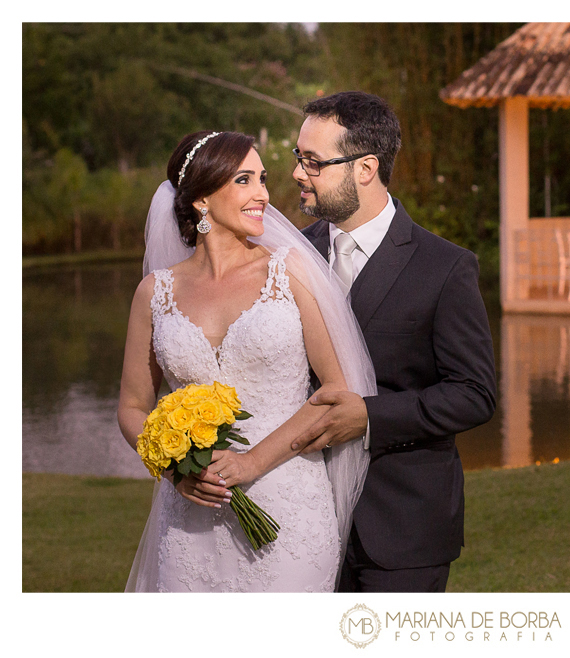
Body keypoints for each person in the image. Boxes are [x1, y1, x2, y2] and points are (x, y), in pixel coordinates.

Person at [118, 130, 376, 592]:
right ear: (200, 198)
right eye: (245, 180)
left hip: (287, 504)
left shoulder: (288, 270)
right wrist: (180, 471)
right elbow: (133, 407)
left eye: (262, 179)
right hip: (191, 515)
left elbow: (336, 391)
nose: (263, 194)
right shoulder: (154, 293)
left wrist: (253, 461)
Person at [289, 91, 497, 592]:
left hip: (404, 528)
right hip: (300, 522)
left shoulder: (445, 267)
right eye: (299, 158)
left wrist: (369, 416)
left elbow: (474, 394)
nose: (298, 173)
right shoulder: (290, 255)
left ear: (365, 168)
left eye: (314, 162)